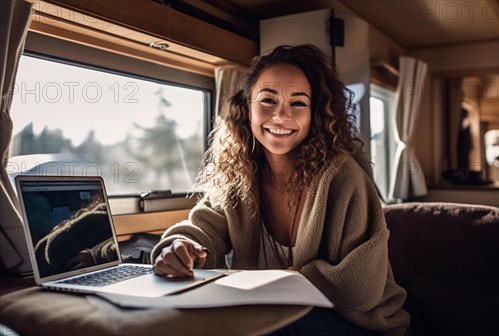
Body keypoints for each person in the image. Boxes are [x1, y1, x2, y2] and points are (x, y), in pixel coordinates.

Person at [151, 44, 410, 335]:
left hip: (361, 325)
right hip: (271, 315)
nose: (280, 115)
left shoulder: (343, 178)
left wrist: (291, 279)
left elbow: (360, 288)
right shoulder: (239, 176)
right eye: (267, 100)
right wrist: (179, 248)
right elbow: (202, 229)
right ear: (247, 108)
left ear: (316, 114)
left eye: (298, 103)